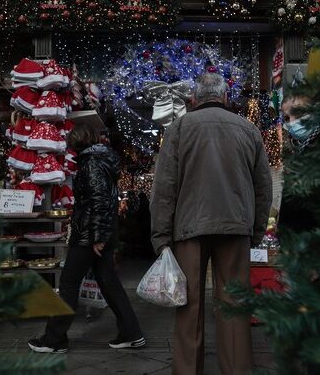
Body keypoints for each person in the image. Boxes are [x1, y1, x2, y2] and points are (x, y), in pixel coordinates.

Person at [150, 73, 273, 375]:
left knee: (188, 306)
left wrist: (161, 237)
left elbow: (164, 187)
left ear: (194, 98)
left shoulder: (179, 128)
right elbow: (263, 187)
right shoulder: (248, 129)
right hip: (235, 226)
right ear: (225, 97)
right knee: (233, 306)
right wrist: (255, 230)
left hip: (189, 228)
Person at [28, 123, 145, 354]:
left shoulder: (90, 164)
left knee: (69, 283)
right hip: (99, 233)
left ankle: (54, 339)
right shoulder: (99, 161)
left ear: (76, 144)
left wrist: (97, 237)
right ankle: (132, 333)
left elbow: (100, 202)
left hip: (90, 236)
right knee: (109, 283)